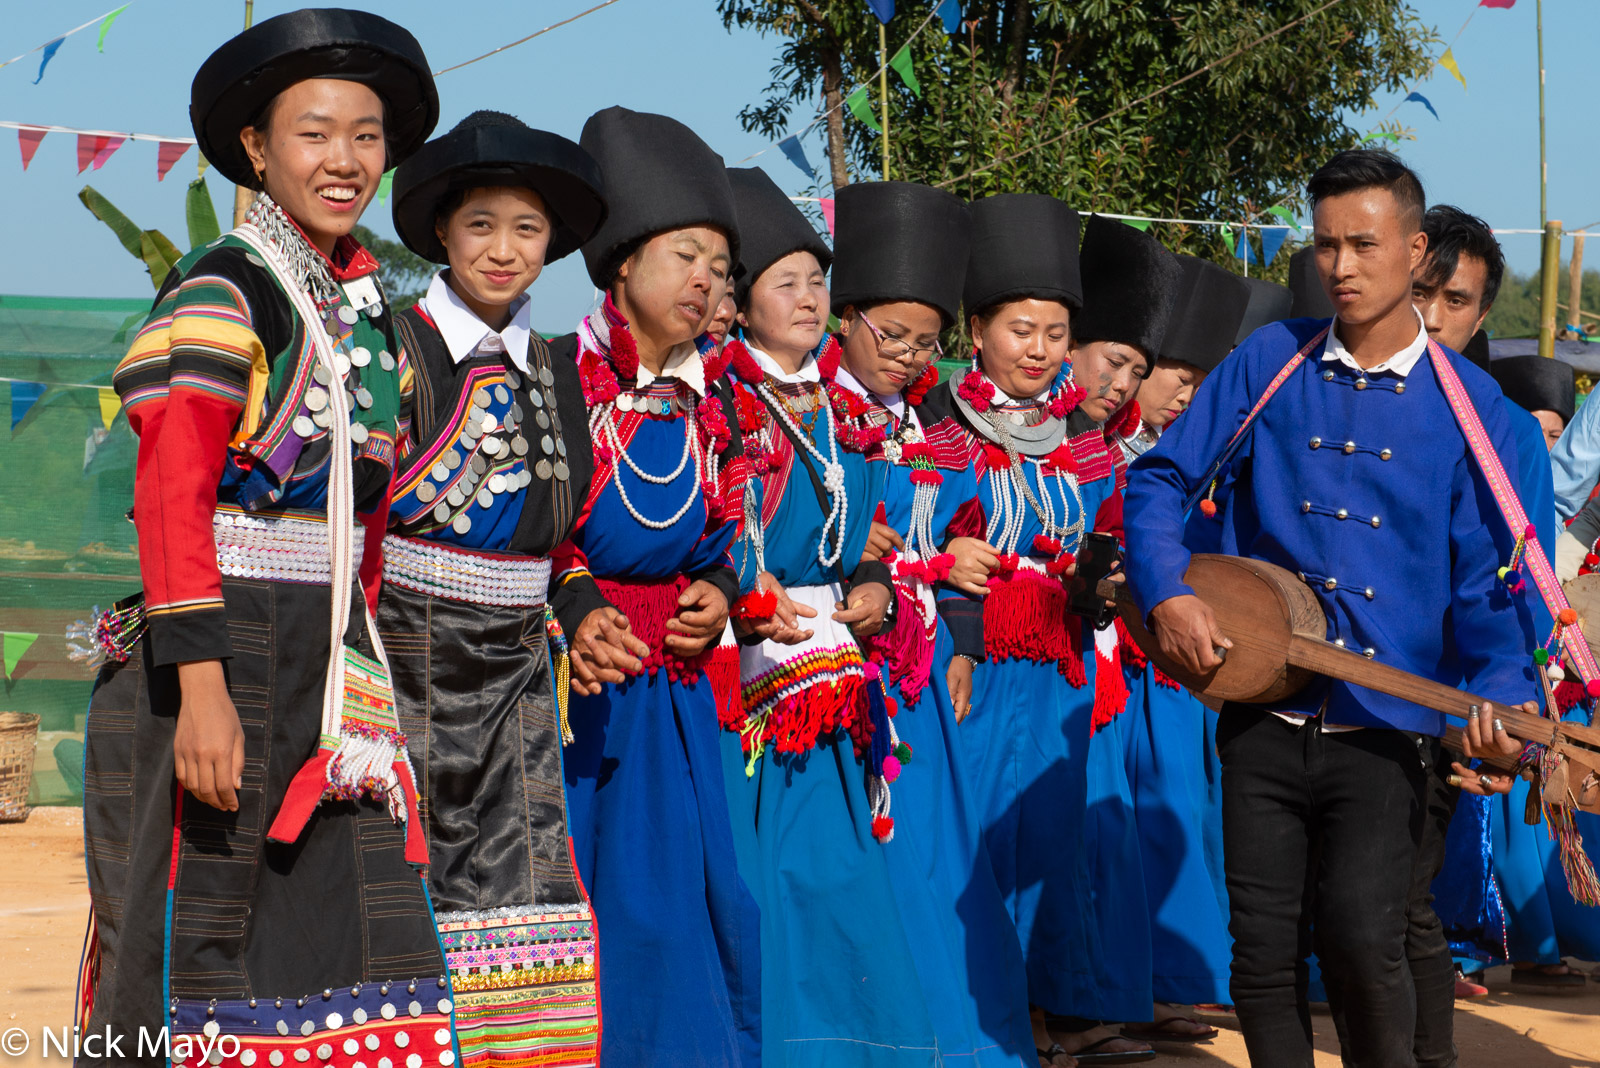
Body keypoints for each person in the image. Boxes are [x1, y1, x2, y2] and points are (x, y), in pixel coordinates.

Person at [80, 9, 449, 1062]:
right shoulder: (222, 290)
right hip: (223, 657)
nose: (346, 161)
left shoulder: (370, 315)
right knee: (196, 931)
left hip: (331, 671)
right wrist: (200, 689)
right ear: (256, 146)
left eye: (367, 136)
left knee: (352, 929)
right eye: (315, 133)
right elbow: (171, 496)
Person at [1125, 149, 1536, 1068]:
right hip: (1260, 710)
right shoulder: (1270, 360)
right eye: (1324, 246)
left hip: (1390, 732)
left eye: (1363, 244)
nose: (1341, 266)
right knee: (1262, 958)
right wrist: (1170, 590)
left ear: (1415, 251)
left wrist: (1506, 704)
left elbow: (1486, 588)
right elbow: (1157, 482)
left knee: (1360, 938)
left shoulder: (1472, 406)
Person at [381, 109, 608, 1063]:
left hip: (516, 675)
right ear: (442, 230)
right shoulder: (388, 347)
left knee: (526, 892)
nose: (504, 251)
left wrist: (580, 607)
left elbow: (556, 540)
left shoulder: (560, 368)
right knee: (397, 886)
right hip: (399, 665)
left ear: (552, 242)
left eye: (526, 229)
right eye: (481, 225)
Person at [717, 173, 946, 1067]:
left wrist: (876, 588)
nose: (811, 298)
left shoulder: (834, 410)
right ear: (740, 304)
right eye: (787, 283)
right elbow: (722, 524)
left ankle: (854, 1043)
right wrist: (749, 592)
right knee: (786, 870)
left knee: (839, 867)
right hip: (756, 675)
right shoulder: (730, 403)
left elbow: (863, 542)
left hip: (833, 667)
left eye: (818, 279)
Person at [552, 106, 760, 1068]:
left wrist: (718, 585)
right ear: (621, 264)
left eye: (718, 264)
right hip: (576, 687)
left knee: (683, 897)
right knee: (585, 894)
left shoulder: (713, 401)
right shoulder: (555, 380)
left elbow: (726, 532)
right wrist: (579, 603)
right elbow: (534, 531)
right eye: (685, 256)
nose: (707, 280)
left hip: (674, 687)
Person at [832, 186, 1038, 1066]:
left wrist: (960, 635)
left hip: (915, 667)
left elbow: (962, 529)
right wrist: (899, 565)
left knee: (934, 855)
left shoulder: (927, 422)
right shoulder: (816, 414)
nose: (910, 355)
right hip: (839, 663)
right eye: (893, 336)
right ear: (846, 319)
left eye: (925, 341)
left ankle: (950, 1031)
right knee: (864, 857)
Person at [1114, 255, 1250, 1045]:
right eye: (1172, 372)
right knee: (1151, 813)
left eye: (1202, 379)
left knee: (1188, 814)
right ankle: (1158, 981)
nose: (1185, 393)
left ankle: (1182, 978)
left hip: (1184, 670)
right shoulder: (1119, 452)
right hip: (1128, 666)